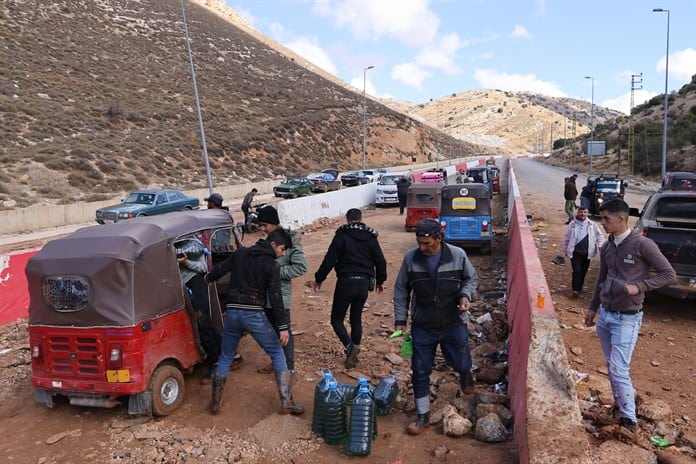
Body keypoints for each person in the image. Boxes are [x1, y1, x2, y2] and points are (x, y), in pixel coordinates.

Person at [584, 199, 675, 434]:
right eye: (601, 218)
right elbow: (601, 279)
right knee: (612, 365)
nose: (602, 223)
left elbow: (668, 274)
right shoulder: (607, 247)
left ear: (621, 219)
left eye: (606, 219)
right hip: (605, 316)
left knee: (618, 368)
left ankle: (629, 420)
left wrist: (641, 286)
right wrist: (593, 308)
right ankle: (620, 404)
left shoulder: (643, 245)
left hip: (627, 317)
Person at [205, 228, 304, 416]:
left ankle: (216, 402)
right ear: (273, 244)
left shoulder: (241, 253)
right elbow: (276, 298)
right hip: (254, 315)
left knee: (226, 356)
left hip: (232, 313)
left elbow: (219, 270)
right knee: (277, 352)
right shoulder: (271, 265)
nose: (283, 254)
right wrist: (283, 328)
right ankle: (286, 402)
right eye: (283, 249)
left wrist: (208, 278)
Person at [393, 218, 478, 435]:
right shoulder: (411, 259)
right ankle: (423, 415)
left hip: (453, 322)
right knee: (420, 370)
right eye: (419, 242)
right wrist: (400, 320)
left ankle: (465, 373)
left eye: (427, 243)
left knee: (459, 361)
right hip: (423, 326)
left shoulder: (457, 255)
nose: (422, 247)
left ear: (439, 238)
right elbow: (401, 290)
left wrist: (465, 296)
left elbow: (470, 279)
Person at [312, 208, 387, 369]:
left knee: (336, 319)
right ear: (360, 218)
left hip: (345, 282)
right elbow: (380, 261)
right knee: (356, 319)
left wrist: (319, 279)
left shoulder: (341, 235)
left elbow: (329, 259)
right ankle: (354, 352)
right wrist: (381, 280)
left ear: (348, 220)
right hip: (363, 284)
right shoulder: (371, 237)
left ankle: (349, 346)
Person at [255, 205, 308, 379]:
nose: (262, 229)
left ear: (273, 223)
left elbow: (301, 267)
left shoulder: (290, 241)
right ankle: (278, 362)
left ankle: (289, 370)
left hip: (281, 297)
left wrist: (276, 272)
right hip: (265, 297)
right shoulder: (266, 242)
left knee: (285, 332)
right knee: (272, 331)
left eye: (264, 225)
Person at [176, 237, 221, 385]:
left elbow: (203, 268)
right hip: (180, 289)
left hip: (194, 286)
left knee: (203, 324)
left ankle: (216, 363)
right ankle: (225, 354)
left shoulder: (193, 245)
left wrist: (185, 262)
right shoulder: (172, 245)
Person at [562, 206, 605, 297]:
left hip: (587, 253)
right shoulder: (572, 224)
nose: (582, 214)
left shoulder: (592, 225)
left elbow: (600, 236)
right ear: (577, 213)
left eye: (585, 212)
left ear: (587, 213)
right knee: (577, 270)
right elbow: (566, 238)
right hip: (575, 252)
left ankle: (580, 287)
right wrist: (565, 249)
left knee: (584, 271)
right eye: (581, 212)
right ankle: (575, 289)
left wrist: (601, 246)